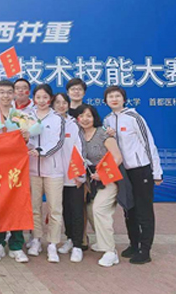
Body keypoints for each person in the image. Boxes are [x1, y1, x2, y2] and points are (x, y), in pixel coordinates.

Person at [102, 86, 163, 264]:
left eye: (117, 96)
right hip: (122, 171)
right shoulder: (107, 120)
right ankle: (134, 244)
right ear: (106, 101)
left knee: (144, 210)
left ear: (124, 99)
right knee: (129, 209)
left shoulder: (134, 118)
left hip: (140, 169)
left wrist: (156, 172)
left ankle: (145, 250)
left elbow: (149, 144)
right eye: (110, 96)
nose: (114, 99)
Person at [0, 80, 29, 263]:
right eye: (2, 92)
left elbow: (30, 142)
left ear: (14, 95)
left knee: (17, 204)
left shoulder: (21, 116)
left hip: (16, 168)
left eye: (9, 92)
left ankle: (16, 245)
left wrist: (27, 136)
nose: (5, 95)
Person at [76, 103, 123, 267]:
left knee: (100, 209)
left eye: (88, 116)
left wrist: (103, 175)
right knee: (90, 210)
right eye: (81, 116)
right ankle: (103, 241)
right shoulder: (78, 135)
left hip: (109, 179)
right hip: (91, 181)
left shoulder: (103, 134)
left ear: (94, 117)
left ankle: (110, 251)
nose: (85, 119)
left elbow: (117, 157)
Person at [26, 84, 65, 263]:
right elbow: (23, 138)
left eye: (45, 97)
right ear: (34, 98)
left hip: (53, 170)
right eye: (38, 97)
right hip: (33, 169)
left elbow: (58, 142)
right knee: (34, 208)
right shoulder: (28, 116)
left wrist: (42, 151)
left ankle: (52, 244)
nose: (41, 101)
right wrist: (28, 144)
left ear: (50, 99)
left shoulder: (58, 118)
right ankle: (36, 239)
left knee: (54, 208)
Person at [52, 93, 85, 263]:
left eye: (64, 102)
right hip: (55, 175)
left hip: (73, 175)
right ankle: (70, 238)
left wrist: (80, 173)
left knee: (76, 210)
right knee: (64, 210)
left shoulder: (74, 124)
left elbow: (80, 148)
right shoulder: (48, 122)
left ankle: (78, 245)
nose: (61, 105)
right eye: (57, 102)